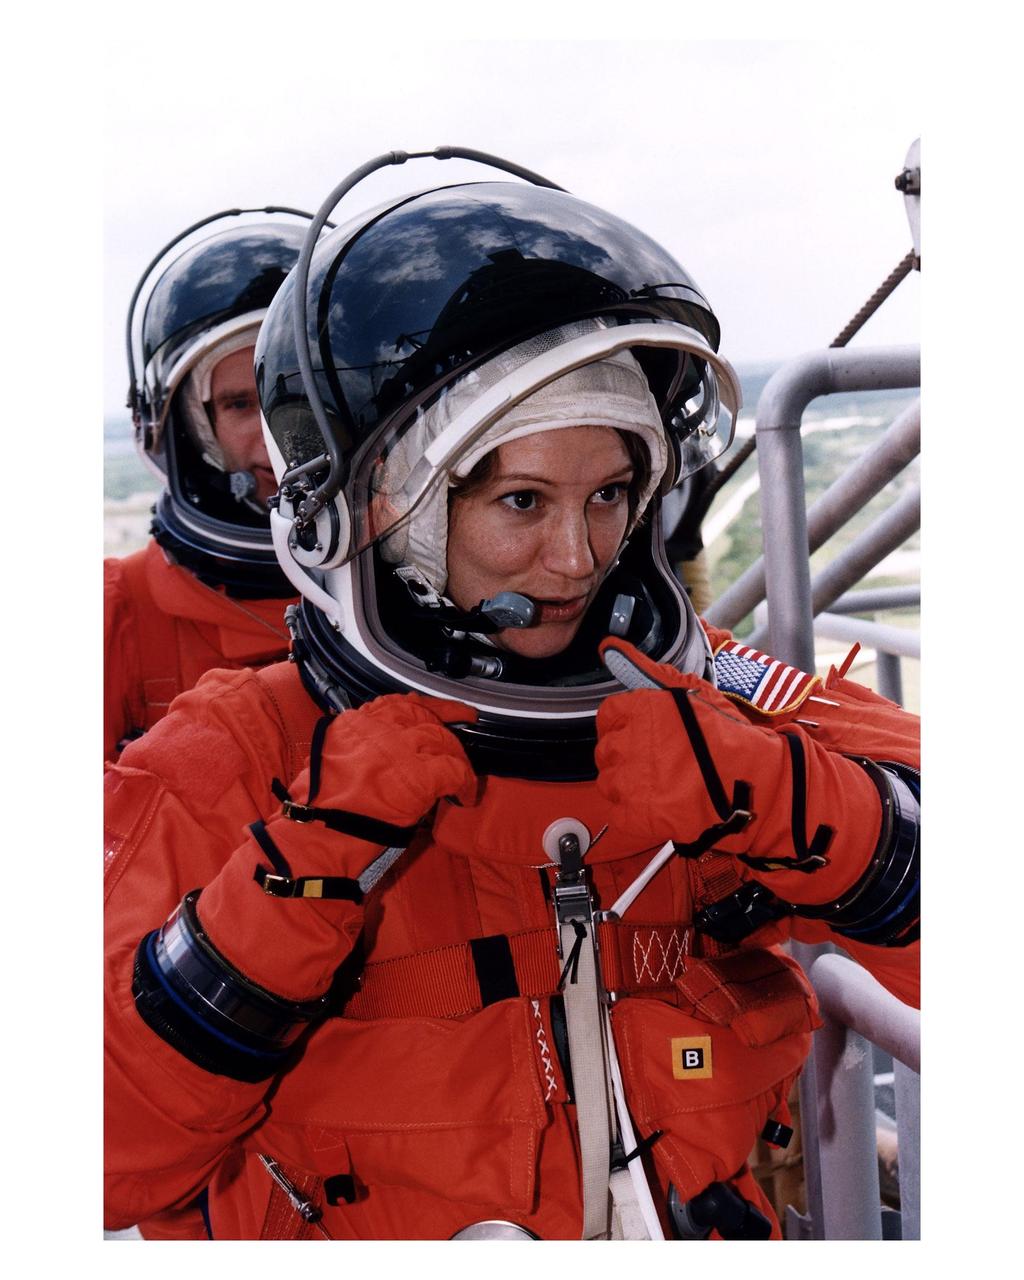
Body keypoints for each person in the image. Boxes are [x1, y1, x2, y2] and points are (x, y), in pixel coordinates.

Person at [104, 158, 919, 1241]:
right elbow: (103, 1161)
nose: (577, 557)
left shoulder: (704, 705)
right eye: (520, 499)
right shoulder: (231, 759)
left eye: (611, 494)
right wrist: (286, 890)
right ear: (384, 506)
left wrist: (801, 802)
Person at [104, 215, 308, 761]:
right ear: (197, 426)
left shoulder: (412, 597)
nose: (277, 441)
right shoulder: (120, 615)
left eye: (297, 394)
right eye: (242, 403)